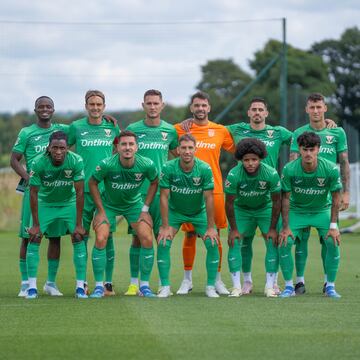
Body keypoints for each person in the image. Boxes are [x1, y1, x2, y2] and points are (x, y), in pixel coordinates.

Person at [225, 97, 291, 295]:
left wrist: (325, 125)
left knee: (272, 239)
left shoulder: (277, 132)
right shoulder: (237, 131)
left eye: (261, 109)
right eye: (253, 109)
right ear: (248, 112)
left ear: (266, 113)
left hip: (265, 203)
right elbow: (211, 128)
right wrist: (187, 125)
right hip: (242, 206)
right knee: (239, 241)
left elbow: (301, 139)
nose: (257, 112)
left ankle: (272, 284)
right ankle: (243, 283)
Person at [174, 91, 235, 295]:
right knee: (190, 233)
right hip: (188, 191)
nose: (200, 109)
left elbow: (239, 150)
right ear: (192, 108)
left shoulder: (220, 130)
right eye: (196, 105)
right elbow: (162, 137)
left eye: (204, 105)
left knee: (215, 233)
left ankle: (216, 280)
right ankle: (187, 280)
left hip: (215, 190)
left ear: (209, 108)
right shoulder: (180, 130)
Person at [289, 93, 349, 295]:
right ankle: (299, 282)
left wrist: (346, 193)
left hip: (326, 197)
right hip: (301, 199)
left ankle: (327, 283)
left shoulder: (337, 132)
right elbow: (292, 162)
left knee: (329, 238)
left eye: (318, 107)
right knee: (300, 239)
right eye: (312, 107)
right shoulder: (298, 132)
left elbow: (344, 163)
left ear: (325, 109)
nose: (315, 111)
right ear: (306, 110)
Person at [88, 130, 159, 298]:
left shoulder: (146, 164)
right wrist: (101, 211)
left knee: (147, 238)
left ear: (137, 147)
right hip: (108, 205)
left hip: (134, 205)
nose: (127, 148)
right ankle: (99, 286)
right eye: (124, 144)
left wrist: (145, 209)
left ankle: (144, 286)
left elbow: (155, 182)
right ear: (117, 147)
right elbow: (92, 183)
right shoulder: (107, 164)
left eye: (131, 144)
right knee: (100, 238)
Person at [10, 96, 68, 297]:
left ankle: (50, 283)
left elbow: (83, 127)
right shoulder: (27, 132)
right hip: (34, 191)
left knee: (55, 237)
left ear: (53, 109)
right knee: (29, 236)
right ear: (35, 110)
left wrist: (107, 118)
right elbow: (14, 159)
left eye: (48, 106)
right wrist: (28, 178)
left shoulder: (61, 129)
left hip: (56, 190)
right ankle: (25, 283)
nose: (45, 109)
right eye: (41, 107)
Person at [124, 89, 178, 296]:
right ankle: (134, 284)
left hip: (162, 194)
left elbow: (178, 154)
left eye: (156, 103)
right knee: (138, 238)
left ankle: (163, 285)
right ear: (143, 105)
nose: (153, 106)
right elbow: (121, 152)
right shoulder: (133, 129)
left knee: (162, 238)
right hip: (137, 195)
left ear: (162, 105)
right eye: (149, 103)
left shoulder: (170, 131)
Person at [68, 90, 120, 296]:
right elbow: (62, 146)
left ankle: (107, 283)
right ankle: (81, 283)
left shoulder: (112, 126)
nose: (96, 108)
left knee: (107, 237)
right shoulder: (76, 127)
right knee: (80, 236)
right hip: (81, 192)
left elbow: (122, 149)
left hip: (106, 193)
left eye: (99, 104)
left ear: (104, 107)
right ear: (86, 106)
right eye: (92, 104)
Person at [278, 131, 342, 298]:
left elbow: (336, 197)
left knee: (332, 240)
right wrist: (285, 227)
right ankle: (288, 287)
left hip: (322, 210)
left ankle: (330, 286)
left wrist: (333, 226)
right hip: (297, 210)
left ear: (318, 149)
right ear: (299, 149)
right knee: (284, 241)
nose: (308, 153)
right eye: (305, 149)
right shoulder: (289, 169)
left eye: (312, 149)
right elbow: (285, 198)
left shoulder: (329, 168)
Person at [26, 131, 87, 299]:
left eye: (62, 148)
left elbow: (80, 192)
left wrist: (79, 223)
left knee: (78, 236)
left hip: (68, 203)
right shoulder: (38, 162)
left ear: (67, 148)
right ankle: (31, 287)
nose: (58, 152)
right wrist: (36, 224)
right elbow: (33, 193)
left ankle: (80, 287)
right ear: (49, 148)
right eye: (55, 148)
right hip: (45, 203)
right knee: (35, 236)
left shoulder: (76, 160)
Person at [157, 134, 220, 298]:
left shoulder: (204, 168)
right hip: (175, 212)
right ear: (177, 150)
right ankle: (164, 286)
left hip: (199, 213)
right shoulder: (168, 167)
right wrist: (164, 226)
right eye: (183, 148)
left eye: (190, 148)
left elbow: (209, 198)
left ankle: (210, 287)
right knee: (163, 241)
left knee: (213, 242)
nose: (187, 151)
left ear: (195, 150)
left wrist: (211, 227)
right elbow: (163, 196)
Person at [225, 138, 281, 297]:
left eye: (254, 160)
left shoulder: (270, 173)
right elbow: (229, 203)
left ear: (261, 158)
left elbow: (277, 201)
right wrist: (234, 229)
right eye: (246, 160)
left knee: (272, 240)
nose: (250, 163)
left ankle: (270, 286)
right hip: (241, 210)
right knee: (235, 241)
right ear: (241, 160)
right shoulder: (234, 174)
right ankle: (238, 286)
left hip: (264, 209)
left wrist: (272, 229)